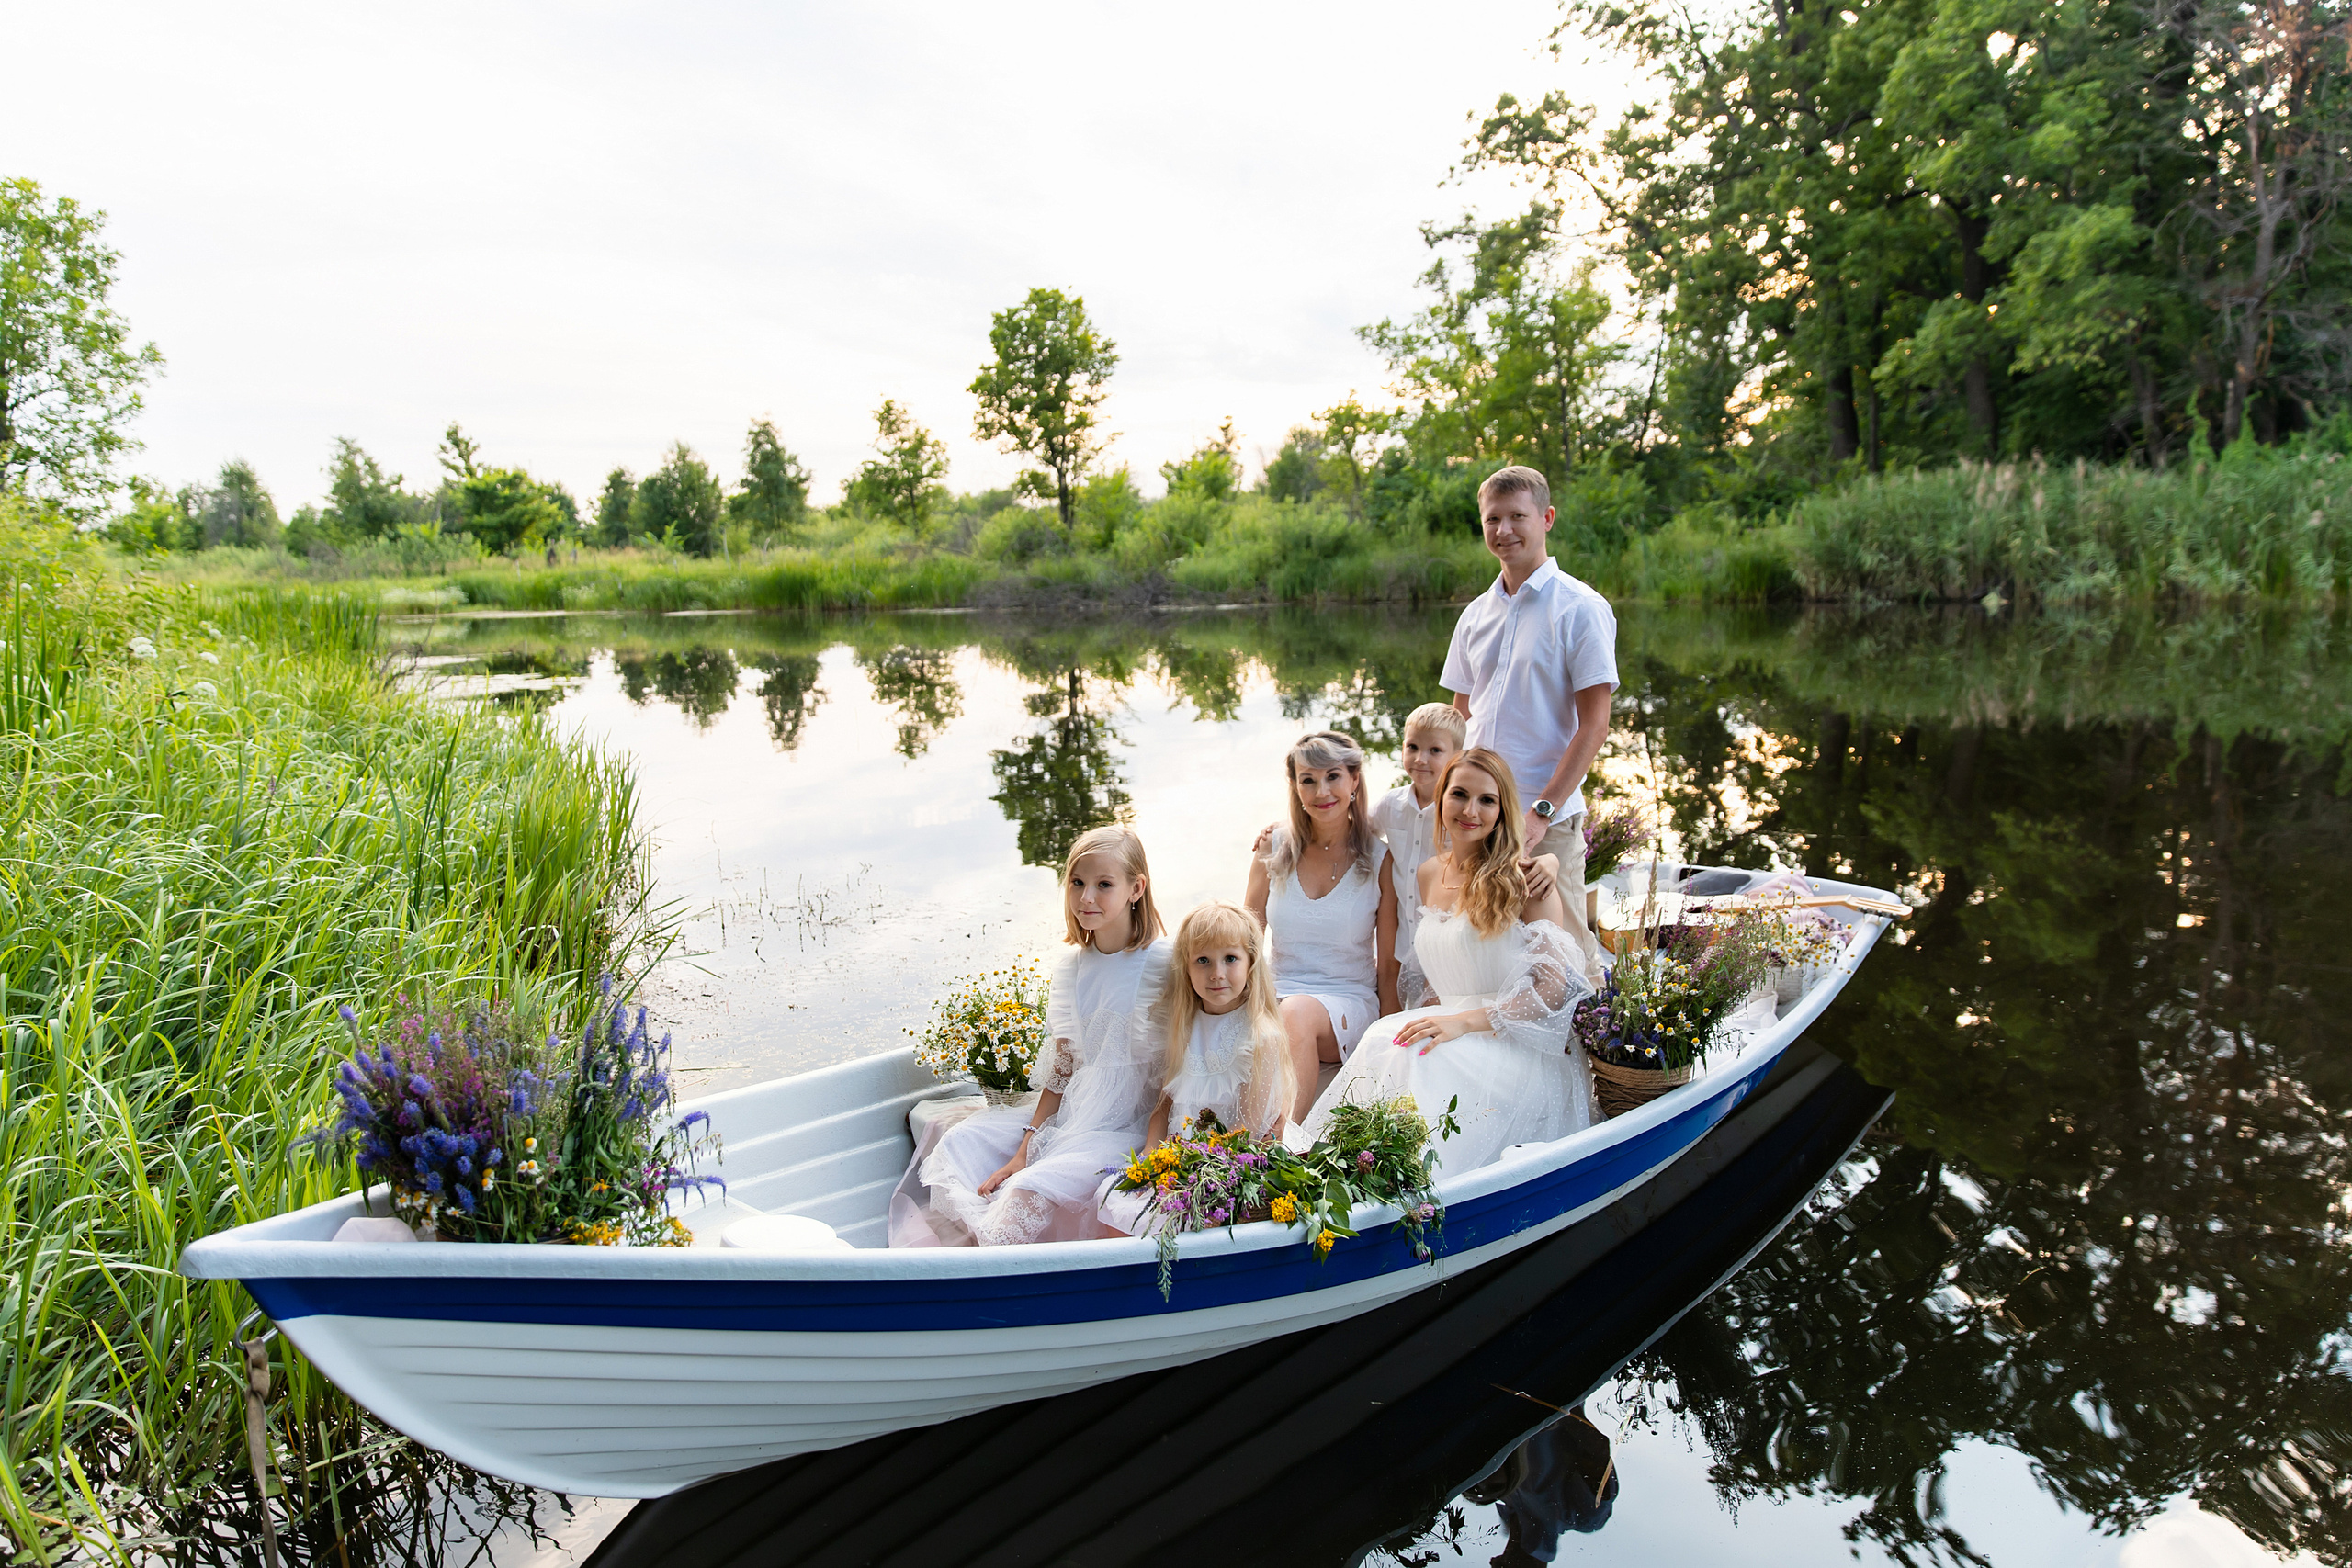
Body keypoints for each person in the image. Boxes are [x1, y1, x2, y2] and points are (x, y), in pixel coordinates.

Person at [1297, 748, 1597, 1174]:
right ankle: (1333, 1173)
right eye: (1459, 794)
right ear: (1441, 799)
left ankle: (1407, 1183)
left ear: (1502, 809)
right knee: (1387, 1040)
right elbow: (1446, 971)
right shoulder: (1428, 874)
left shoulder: (1526, 878)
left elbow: (1551, 991)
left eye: (1487, 800)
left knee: (1420, 1057)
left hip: (1513, 1040)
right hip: (1454, 1023)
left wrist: (1464, 1022)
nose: (1470, 810)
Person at [887, 826, 1170, 1246]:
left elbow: (1175, 1070)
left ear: (1136, 888)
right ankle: (975, 1259)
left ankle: (997, 1269)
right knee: (961, 1143)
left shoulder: (1162, 961)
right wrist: (1026, 1148)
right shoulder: (1072, 970)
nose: (1086, 898)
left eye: (1103, 885)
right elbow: (1062, 1073)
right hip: (1075, 1114)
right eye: (1077, 883)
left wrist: (1153, 1150)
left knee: (1032, 1186)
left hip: (1130, 1128)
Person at [1443, 465, 1618, 968]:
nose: (1504, 531)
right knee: (1483, 945)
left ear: (1547, 518)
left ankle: (1592, 1045)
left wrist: (1541, 813)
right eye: (1491, 519)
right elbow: (1460, 719)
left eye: (1517, 516)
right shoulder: (1475, 614)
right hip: (1476, 812)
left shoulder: (1580, 609)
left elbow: (1595, 726)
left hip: (1546, 817)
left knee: (1563, 951)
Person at [1098, 901, 1294, 1236]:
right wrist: (1149, 1161)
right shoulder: (1184, 1027)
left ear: (1250, 962)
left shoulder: (1261, 1036)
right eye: (1203, 961)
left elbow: (1247, 1128)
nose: (1216, 973)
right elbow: (1164, 1107)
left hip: (1235, 1166)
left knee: (1168, 1217)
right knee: (1111, 1193)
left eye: (1230, 959)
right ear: (1186, 969)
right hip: (1181, 1160)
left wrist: (1196, 1175)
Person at [1246, 730, 1395, 1125]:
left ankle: (1278, 1144)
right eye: (1307, 779)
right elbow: (1247, 936)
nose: (1321, 791)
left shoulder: (1380, 859)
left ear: (1354, 780)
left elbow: (1388, 964)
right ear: (1294, 787)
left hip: (1344, 997)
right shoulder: (1275, 845)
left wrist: (1390, 1041)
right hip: (1278, 990)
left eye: (1333, 776)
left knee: (1295, 1012)